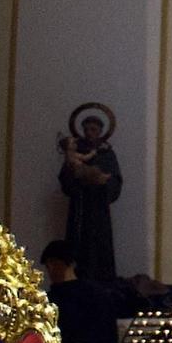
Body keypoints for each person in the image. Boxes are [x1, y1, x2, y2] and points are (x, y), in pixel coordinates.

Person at [58, 112, 124, 281]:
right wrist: (75, 175)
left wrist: (102, 182)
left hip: (99, 210)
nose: (89, 133)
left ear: (100, 131)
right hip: (79, 208)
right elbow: (65, 180)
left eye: (93, 129)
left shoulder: (106, 153)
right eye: (86, 129)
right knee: (77, 250)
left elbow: (115, 181)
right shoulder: (76, 152)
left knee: (99, 252)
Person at [40, 240, 130, 343]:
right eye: (48, 265)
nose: (50, 269)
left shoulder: (53, 300)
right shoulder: (100, 294)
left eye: (54, 263)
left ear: (68, 263)